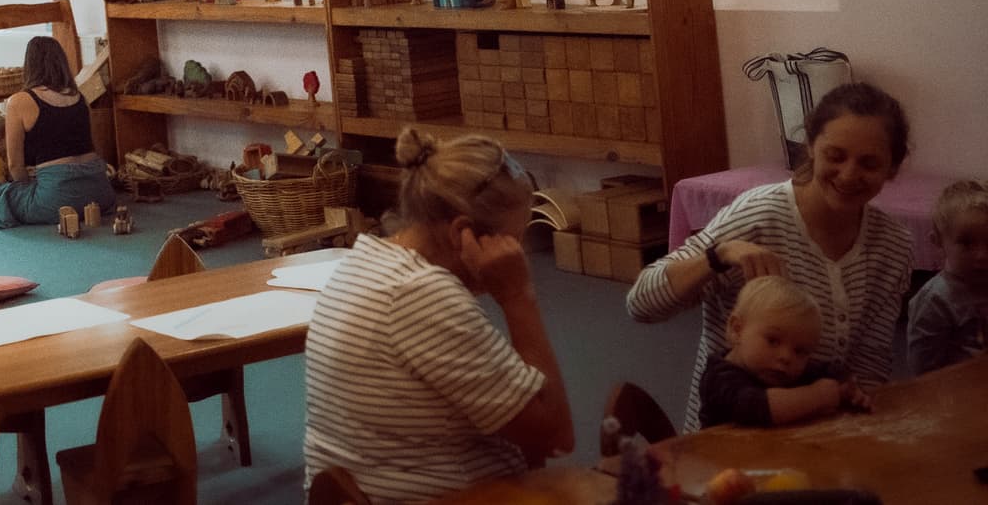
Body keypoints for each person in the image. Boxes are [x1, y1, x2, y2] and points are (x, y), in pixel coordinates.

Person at [303, 127, 572, 503]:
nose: (519, 252)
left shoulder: (363, 260)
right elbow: (555, 435)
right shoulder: (423, 295)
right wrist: (518, 297)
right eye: (515, 239)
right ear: (463, 232)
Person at [626, 82, 916, 430]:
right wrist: (717, 256)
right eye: (835, 156)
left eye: (869, 163)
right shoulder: (758, 216)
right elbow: (641, 304)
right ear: (810, 146)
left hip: (818, 432)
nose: (849, 174)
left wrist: (853, 424)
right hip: (728, 439)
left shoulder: (892, 245)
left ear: (892, 168)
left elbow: (869, 363)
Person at [0, 37, 114, 227]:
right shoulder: (80, 98)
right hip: (100, 194)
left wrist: (28, 187)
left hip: (56, 201)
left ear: (29, 64)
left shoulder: (19, 101)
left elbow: (15, 166)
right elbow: (98, 150)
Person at [699, 275, 870, 428]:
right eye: (773, 341)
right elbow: (758, 407)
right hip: (721, 461)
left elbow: (829, 370)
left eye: (800, 351)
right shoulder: (719, 378)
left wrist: (847, 388)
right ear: (737, 330)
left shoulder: (782, 370)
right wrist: (818, 396)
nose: (786, 357)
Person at [907, 178, 988, 374]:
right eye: (966, 244)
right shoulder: (935, 300)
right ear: (938, 242)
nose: (982, 255)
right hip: (956, 394)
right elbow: (923, 372)